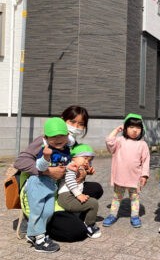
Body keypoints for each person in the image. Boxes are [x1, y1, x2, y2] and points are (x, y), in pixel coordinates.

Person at [14, 105, 104, 242]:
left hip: (61, 190)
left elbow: (69, 167)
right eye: (72, 122)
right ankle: (36, 224)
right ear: (62, 120)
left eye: (81, 124)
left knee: (96, 188)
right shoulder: (46, 140)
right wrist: (48, 171)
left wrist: (83, 172)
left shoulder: (72, 144)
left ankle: (69, 215)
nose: (76, 126)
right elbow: (20, 162)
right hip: (42, 189)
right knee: (76, 232)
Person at [25, 117, 72, 252]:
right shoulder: (45, 150)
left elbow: (65, 164)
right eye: (53, 137)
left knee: (48, 211)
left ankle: (34, 234)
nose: (58, 139)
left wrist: (72, 167)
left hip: (51, 185)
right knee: (37, 211)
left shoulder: (66, 150)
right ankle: (38, 238)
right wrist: (45, 157)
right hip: (37, 183)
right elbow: (39, 167)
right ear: (46, 138)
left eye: (61, 136)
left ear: (67, 136)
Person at [103, 113, 150, 228]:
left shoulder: (142, 144)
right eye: (131, 127)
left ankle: (134, 216)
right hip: (120, 177)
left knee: (134, 198)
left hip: (135, 178)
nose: (135, 130)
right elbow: (109, 142)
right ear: (125, 128)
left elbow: (146, 161)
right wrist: (116, 130)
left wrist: (144, 175)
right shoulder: (119, 141)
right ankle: (113, 215)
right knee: (117, 197)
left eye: (138, 127)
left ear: (142, 130)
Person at [58, 144, 101, 238]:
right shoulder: (71, 167)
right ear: (74, 157)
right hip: (67, 197)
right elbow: (69, 181)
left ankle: (80, 219)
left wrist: (88, 172)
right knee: (93, 203)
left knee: (91, 202)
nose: (87, 162)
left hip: (69, 196)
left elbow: (78, 178)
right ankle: (89, 225)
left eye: (89, 160)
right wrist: (79, 195)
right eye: (85, 158)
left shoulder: (77, 167)